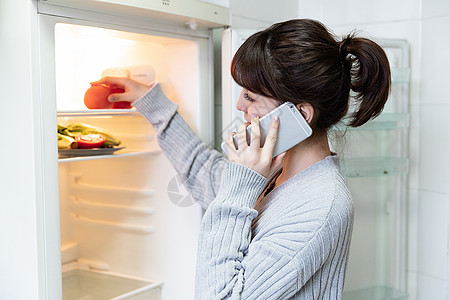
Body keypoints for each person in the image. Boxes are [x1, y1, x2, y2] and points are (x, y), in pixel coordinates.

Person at [93, 18, 390, 300]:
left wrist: (241, 185)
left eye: (250, 96)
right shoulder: (273, 169)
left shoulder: (321, 205)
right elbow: (203, 172)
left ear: (299, 114)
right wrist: (151, 102)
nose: (239, 105)